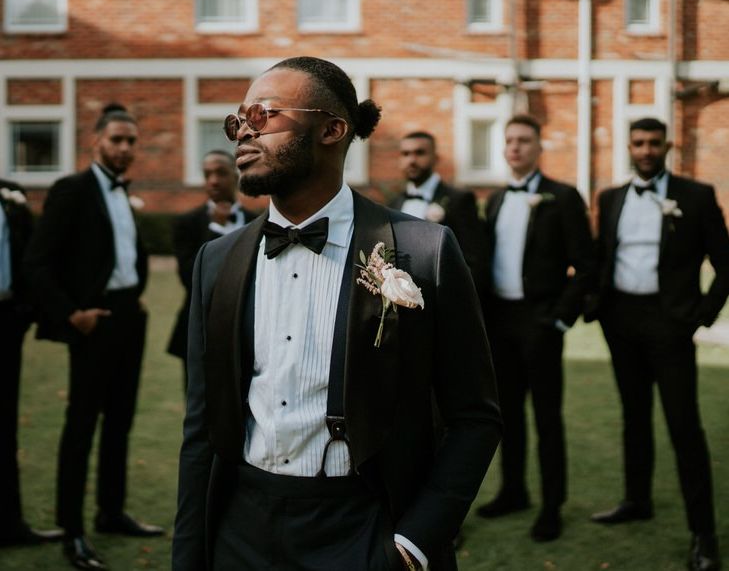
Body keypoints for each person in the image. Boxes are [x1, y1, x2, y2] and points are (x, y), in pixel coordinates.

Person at [172, 56, 502, 571]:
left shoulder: (423, 250)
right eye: (236, 121)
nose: (242, 132)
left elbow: (474, 416)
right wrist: (191, 556)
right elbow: (202, 427)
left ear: (331, 129)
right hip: (241, 528)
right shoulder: (216, 261)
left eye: (262, 115)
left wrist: (413, 545)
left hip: (367, 525)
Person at [24, 104, 163, 571]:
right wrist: (72, 314)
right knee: (81, 425)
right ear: (96, 142)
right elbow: (37, 263)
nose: (125, 147)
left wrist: (135, 295)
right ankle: (73, 531)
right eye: (116, 139)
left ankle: (110, 512)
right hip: (93, 320)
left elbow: (123, 254)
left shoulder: (124, 192)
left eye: (130, 141)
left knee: (120, 421)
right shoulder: (72, 190)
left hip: (129, 317)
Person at [588, 117, 729, 571]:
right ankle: (637, 499)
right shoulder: (610, 198)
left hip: (671, 323)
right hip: (620, 321)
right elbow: (603, 257)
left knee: (684, 426)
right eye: (638, 143)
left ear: (667, 146)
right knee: (634, 416)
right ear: (629, 147)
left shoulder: (696, 196)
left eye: (654, 143)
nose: (646, 150)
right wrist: (598, 306)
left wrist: (700, 317)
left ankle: (704, 536)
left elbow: (725, 265)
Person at [475, 114, 595, 542]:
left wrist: (559, 319)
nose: (515, 148)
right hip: (501, 323)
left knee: (547, 418)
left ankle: (551, 506)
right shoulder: (495, 200)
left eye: (524, 140)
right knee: (506, 417)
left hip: (541, 322)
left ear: (539, 147)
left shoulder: (562, 197)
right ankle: (513, 492)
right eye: (509, 141)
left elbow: (585, 266)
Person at [0, 180, 63, 548]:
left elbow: (30, 256)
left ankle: (10, 523)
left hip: (7, 322)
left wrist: (24, 312)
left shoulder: (10, 199)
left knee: (6, 425)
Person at [167, 150, 255, 382]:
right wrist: (216, 229)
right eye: (207, 175)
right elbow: (190, 278)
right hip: (199, 329)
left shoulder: (256, 222)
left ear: (236, 176)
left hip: (247, 330)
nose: (213, 180)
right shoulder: (187, 223)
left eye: (220, 173)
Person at [390, 131, 485, 285]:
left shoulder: (459, 200)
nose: (412, 160)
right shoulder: (393, 204)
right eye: (406, 154)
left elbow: (473, 259)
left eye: (420, 153)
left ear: (436, 158)